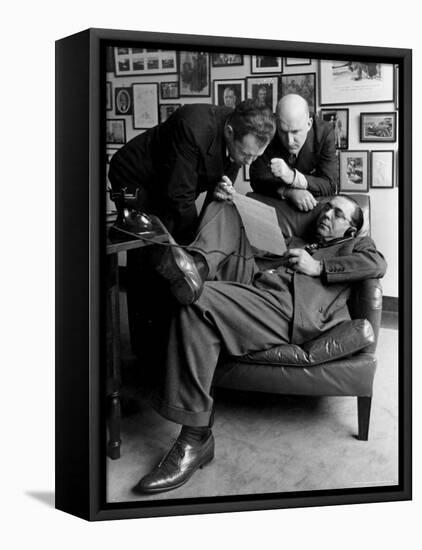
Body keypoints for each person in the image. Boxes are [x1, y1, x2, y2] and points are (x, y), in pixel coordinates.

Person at [132, 194, 387, 494]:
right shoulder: (302, 242)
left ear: (351, 230)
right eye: (326, 208)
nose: (327, 214)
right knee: (224, 205)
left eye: (338, 214)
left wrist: (317, 267)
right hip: (255, 283)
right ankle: (198, 265)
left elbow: (377, 263)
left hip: (288, 309)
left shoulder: (356, 246)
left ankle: (194, 437)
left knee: (195, 301)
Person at [109, 100, 276, 244]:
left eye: (255, 156)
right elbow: (180, 195)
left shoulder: (243, 139)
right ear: (229, 132)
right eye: (246, 154)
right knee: (147, 241)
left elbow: (216, 196)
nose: (248, 162)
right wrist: (194, 244)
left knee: (171, 240)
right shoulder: (191, 126)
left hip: (168, 181)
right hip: (133, 175)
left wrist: (219, 196)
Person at [250, 94, 337, 212]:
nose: (290, 141)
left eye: (295, 132)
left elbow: (329, 186)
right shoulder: (269, 127)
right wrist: (289, 192)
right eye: (283, 132)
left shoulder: (324, 133)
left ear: (309, 124)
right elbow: (256, 180)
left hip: (313, 208)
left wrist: (292, 177)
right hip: (276, 206)